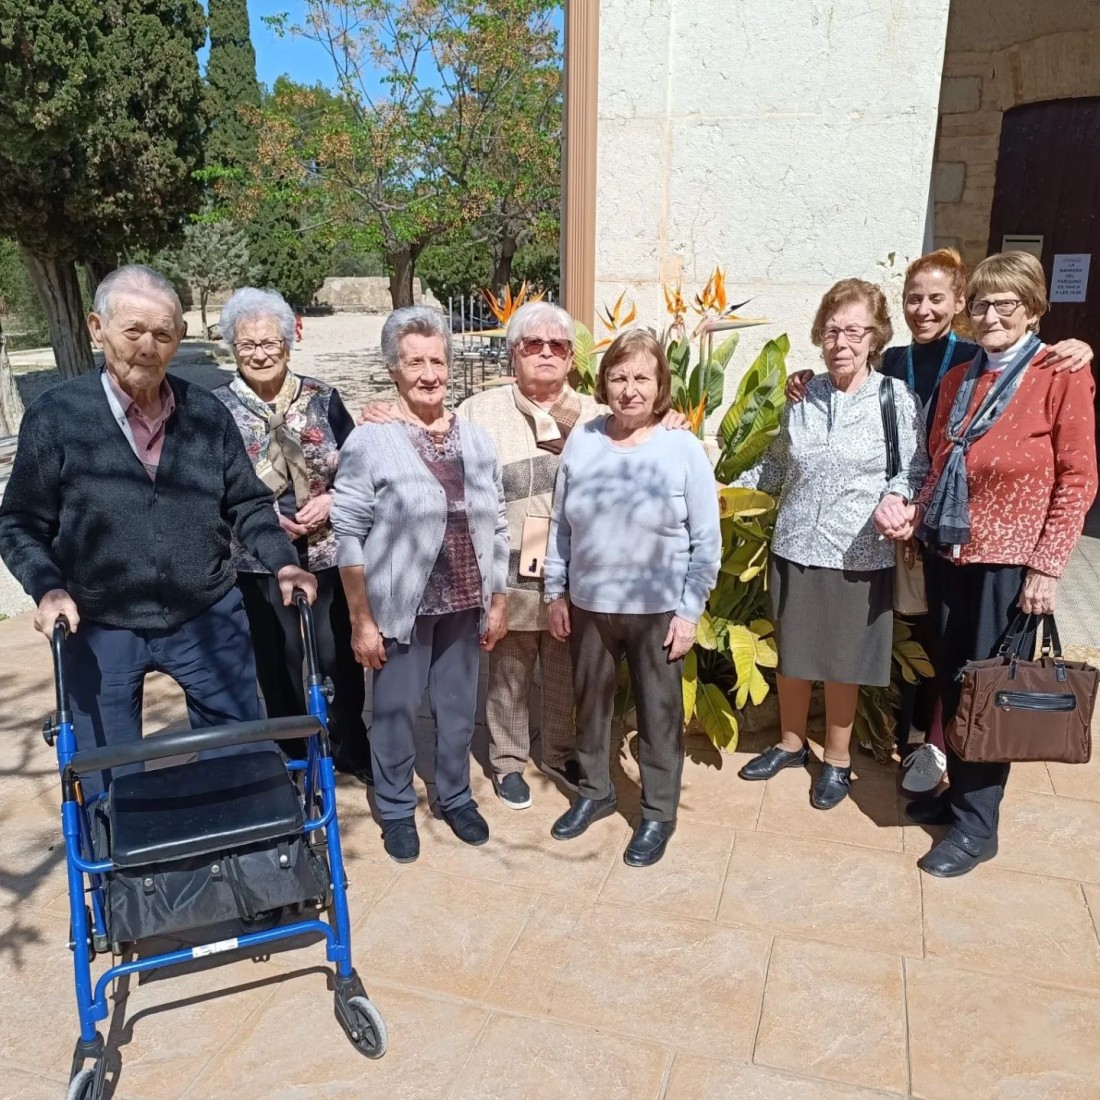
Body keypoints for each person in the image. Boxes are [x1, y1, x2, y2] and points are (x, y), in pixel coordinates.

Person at [785, 250, 1093, 796]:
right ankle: (929, 759)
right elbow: (929, 454)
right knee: (939, 655)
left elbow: (1076, 475)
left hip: (998, 549)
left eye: (937, 299)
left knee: (984, 677)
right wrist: (805, 380)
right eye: (914, 298)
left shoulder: (1017, 363)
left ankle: (961, 790)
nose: (924, 309)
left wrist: (1047, 568)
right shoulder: (931, 369)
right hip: (935, 535)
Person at [0, 265, 315, 795]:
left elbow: (248, 504)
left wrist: (284, 562)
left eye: (163, 334)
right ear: (97, 329)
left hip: (206, 615)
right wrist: (48, 588)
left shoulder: (206, 414)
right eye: (133, 331)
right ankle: (116, 849)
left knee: (240, 764)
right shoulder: (57, 417)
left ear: (180, 337)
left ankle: (244, 843)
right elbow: (19, 523)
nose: (148, 347)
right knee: (106, 782)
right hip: (98, 624)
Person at [909, 251, 1097, 878]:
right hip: (949, 552)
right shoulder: (960, 378)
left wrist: (1047, 567)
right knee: (955, 681)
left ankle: (977, 828)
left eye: (1005, 304)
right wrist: (915, 515)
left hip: (1010, 563)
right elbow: (938, 461)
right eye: (981, 304)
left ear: (1033, 309)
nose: (990, 315)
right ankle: (960, 796)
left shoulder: (1060, 374)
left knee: (990, 692)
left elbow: (1078, 478)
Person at [737, 279, 929, 809]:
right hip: (796, 543)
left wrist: (897, 499)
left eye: (854, 331)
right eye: (831, 330)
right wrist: (717, 485)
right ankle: (791, 744)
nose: (841, 342)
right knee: (793, 654)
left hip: (859, 549)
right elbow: (775, 465)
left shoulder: (895, 399)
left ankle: (838, 760)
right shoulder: (803, 396)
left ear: (876, 337)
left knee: (845, 661)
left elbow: (914, 468)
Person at [332, 306, 509, 864]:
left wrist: (498, 598)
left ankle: (455, 797)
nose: (429, 374)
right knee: (396, 712)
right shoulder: (371, 439)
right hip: (400, 605)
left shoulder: (476, 439)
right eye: (415, 363)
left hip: (465, 600)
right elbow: (348, 533)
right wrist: (361, 619)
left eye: (437, 361)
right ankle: (394, 808)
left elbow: (498, 524)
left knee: (457, 711)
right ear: (394, 370)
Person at [543, 329, 721, 867]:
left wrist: (689, 612)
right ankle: (596, 792)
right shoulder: (583, 440)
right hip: (590, 603)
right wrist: (556, 590)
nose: (629, 389)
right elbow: (560, 524)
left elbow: (706, 540)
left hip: (657, 609)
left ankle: (659, 812)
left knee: (658, 715)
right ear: (604, 384)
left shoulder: (682, 448)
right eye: (618, 377)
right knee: (591, 708)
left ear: (660, 384)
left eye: (642, 377)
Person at [213, 287, 371, 782]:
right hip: (257, 556)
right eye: (247, 344)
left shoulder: (323, 398)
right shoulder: (215, 408)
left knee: (337, 654)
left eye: (270, 342)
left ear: (288, 342)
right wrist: (261, 515)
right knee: (278, 659)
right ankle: (293, 755)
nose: (260, 354)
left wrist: (332, 499)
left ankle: (349, 745)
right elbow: (210, 484)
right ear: (232, 347)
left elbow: (359, 467)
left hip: (326, 550)